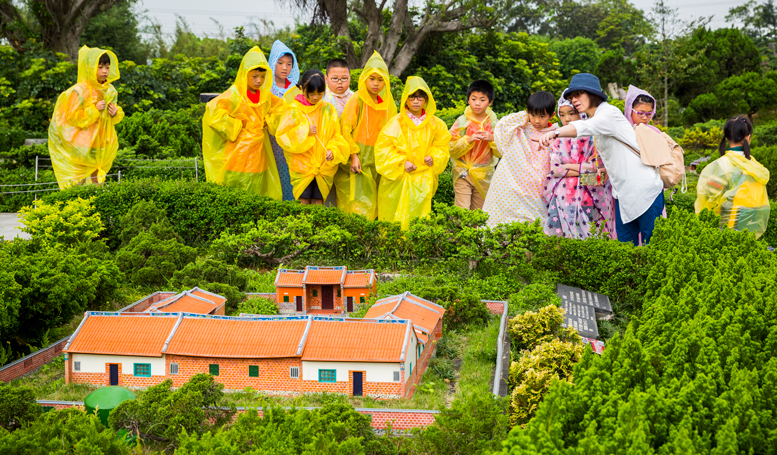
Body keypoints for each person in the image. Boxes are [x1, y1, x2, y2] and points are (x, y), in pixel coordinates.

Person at [539, 73, 664, 246]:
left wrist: (554, 133)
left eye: (578, 94)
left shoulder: (608, 113)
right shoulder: (597, 118)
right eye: (571, 97)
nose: (574, 100)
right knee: (625, 249)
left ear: (593, 94)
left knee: (653, 245)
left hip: (644, 190)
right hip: (623, 194)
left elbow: (584, 127)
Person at [201, 46, 283, 198]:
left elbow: (282, 109)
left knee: (256, 193)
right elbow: (212, 110)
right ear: (245, 74)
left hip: (257, 156)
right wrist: (238, 126)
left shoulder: (265, 96)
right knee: (234, 196)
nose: (259, 81)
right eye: (255, 76)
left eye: (263, 76)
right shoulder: (235, 95)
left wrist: (268, 120)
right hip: (236, 156)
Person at [374, 76, 450, 229]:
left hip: (423, 177)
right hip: (399, 178)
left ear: (426, 100)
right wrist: (402, 162)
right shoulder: (396, 122)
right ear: (405, 99)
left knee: (420, 212)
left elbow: (443, 145)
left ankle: (416, 245)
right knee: (395, 212)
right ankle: (394, 245)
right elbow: (383, 148)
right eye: (412, 97)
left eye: (420, 98)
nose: (416, 101)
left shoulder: (435, 123)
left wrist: (434, 157)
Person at [48, 46, 124, 188]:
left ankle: (97, 206)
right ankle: (77, 205)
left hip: (101, 143)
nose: (104, 71)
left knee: (98, 178)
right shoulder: (79, 91)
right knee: (79, 178)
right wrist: (94, 110)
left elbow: (111, 119)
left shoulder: (110, 90)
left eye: (107, 67)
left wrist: (115, 113)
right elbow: (73, 117)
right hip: (81, 144)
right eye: (100, 67)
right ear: (90, 67)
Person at [543, 91, 614, 239]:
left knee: (591, 235)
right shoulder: (557, 139)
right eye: (562, 114)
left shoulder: (592, 138)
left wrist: (567, 168)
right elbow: (555, 169)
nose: (566, 119)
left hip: (590, 195)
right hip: (563, 196)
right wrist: (584, 168)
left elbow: (596, 167)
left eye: (571, 113)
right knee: (558, 237)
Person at [335, 51, 397, 219]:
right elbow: (345, 129)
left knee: (376, 198)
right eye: (372, 78)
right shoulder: (357, 100)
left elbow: (394, 131)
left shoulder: (387, 104)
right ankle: (357, 238)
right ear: (364, 79)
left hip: (379, 157)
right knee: (359, 201)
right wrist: (353, 155)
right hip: (361, 157)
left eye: (380, 79)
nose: (376, 84)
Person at [482, 91, 557, 228]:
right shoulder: (521, 129)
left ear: (552, 115)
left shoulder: (556, 133)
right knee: (505, 221)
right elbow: (503, 125)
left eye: (542, 116)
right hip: (514, 185)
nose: (537, 120)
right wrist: (525, 115)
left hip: (538, 189)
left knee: (535, 225)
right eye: (533, 115)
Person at [276, 69, 349, 205]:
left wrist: (333, 151)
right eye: (311, 94)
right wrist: (304, 131)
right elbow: (282, 135)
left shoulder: (328, 110)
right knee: (303, 200)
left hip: (323, 165)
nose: (315, 98)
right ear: (302, 88)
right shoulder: (294, 110)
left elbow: (336, 136)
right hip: (302, 167)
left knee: (318, 200)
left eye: (319, 94)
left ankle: (317, 226)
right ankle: (302, 226)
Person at [696, 116, 770, 238]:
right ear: (748, 137)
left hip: (724, 232)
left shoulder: (720, 165)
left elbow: (706, 202)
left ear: (726, 138)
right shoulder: (755, 166)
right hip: (752, 232)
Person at [449, 80, 500, 211]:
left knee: (479, 214)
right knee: (462, 211)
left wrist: (492, 139)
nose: (477, 103)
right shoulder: (462, 122)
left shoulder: (495, 124)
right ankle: (458, 232)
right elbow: (451, 148)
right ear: (468, 100)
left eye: (482, 100)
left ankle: (475, 232)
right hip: (463, 173)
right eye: (474, 99)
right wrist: (468, 140)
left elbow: (502, 152)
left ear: (490, 102)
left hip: (484, 176)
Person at [268, 40, 300, 200]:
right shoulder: (267, 89)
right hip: (271, 142)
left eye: (289, 64)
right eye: (280, 63)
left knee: (290, 179)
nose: (285, 67)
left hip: (291, 144)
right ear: (272, 63)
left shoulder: (296, 90)